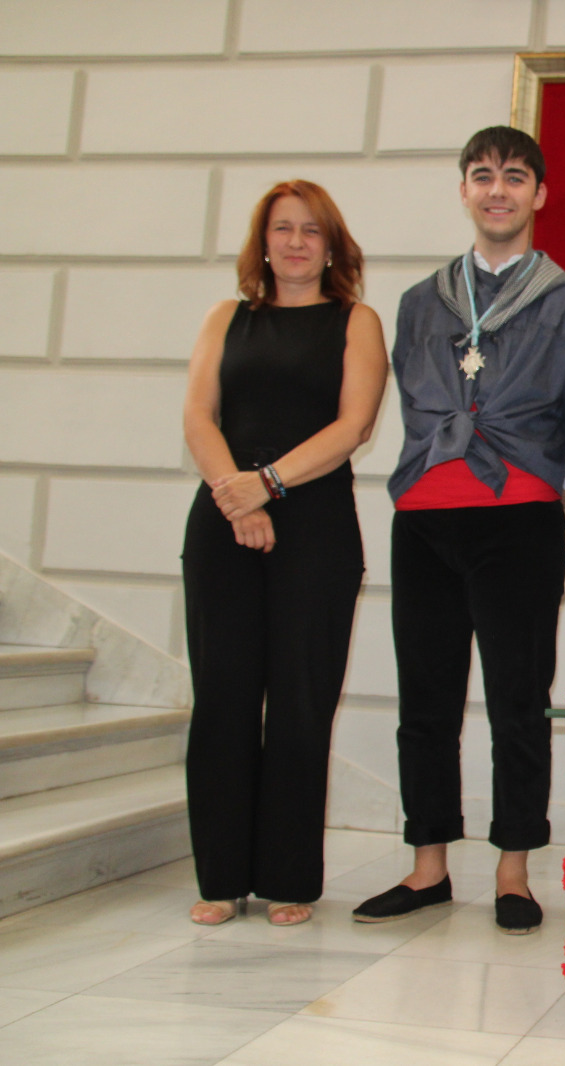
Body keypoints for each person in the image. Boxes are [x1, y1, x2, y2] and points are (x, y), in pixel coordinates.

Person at [351, 126, 565, 935]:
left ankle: (513, 871)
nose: (499, 190)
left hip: (518, 520)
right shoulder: (420, 302)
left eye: (515, 177)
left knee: (517, 702)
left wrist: (552, 491)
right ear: (464, 189)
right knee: (425, 700)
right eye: (484, 175)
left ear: (539, 193)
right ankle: (427, 865)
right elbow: (416, 400)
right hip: (425, 518)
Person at [181, 180, 387, 927]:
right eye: (282, 229)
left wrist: (265, 485)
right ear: (262, 242)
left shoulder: (356, 321)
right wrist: (236, 497)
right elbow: (198, 415)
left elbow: (354, 426)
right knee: (224, 699)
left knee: (301, 703)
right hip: (223, 524)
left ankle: (289, 877)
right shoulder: (225, 318)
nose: (296, 242)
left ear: (332, 246)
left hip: (315, 529)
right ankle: (221, 877)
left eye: (311, 230)